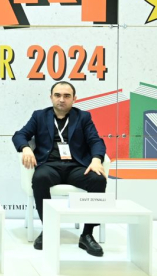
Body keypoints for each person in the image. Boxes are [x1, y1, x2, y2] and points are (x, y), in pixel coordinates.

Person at [12, 81, 107, 256]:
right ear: (51, 97)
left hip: (76, 166)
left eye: (66, 96)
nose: (61, 99)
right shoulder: (40, 116)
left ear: (74, 99)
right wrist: (25, 148)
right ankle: (48, 228)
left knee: (98, 179)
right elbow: (20, 135)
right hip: (49, 165)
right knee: (40, 178)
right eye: (57, 95)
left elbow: (95, 140)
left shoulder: (83, 117)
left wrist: (96, 159)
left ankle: (87, 234)